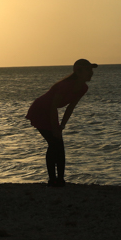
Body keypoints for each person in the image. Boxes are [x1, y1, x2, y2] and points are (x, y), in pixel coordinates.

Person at [26, 59, 97, 187]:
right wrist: (55, 128)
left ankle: (60, 179)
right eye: (88, 70)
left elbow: (71, 107)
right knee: (54, 143)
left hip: (50, 112)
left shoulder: (83, 88)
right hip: (40, 110)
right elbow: (53, 106)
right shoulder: (65, 85)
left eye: (91, 70)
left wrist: (62, 126)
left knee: (58, 145)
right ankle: (53, 179)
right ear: (79, 72)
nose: (91, 73)